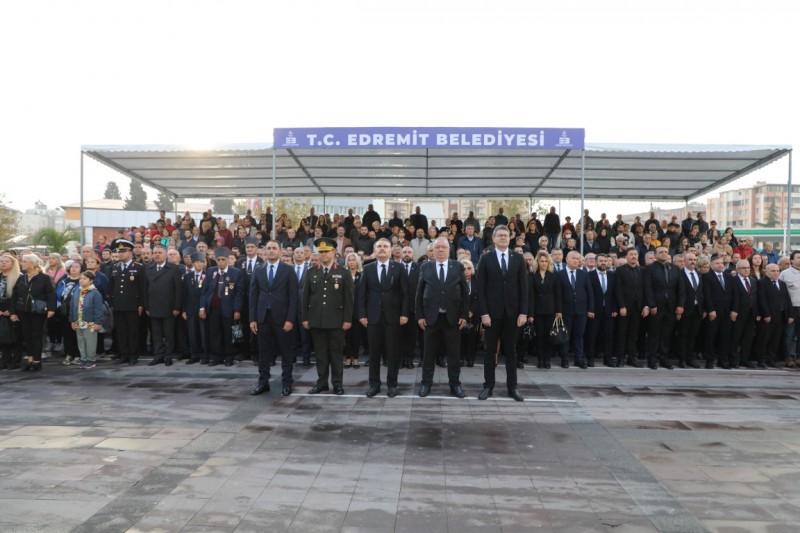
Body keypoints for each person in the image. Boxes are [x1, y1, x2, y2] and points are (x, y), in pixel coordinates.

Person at [476, 225, 529, 402]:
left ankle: (512, 387)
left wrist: (523, 312)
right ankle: (488, 386)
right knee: (490, 351)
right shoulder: (485, 258)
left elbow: (524, 288)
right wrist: (484, 313)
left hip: (513, 314)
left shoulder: (518, 258)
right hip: (492, 314)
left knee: (511, 352)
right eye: (500, 235)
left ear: (510, 238)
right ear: (493, 238)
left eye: (506, 235)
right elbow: (480, 288)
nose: (503, 238)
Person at [415, 237, 468, 398]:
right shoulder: (426, 266)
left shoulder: (457, 266)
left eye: (443, 247)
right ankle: (426, 383)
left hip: (452, 318)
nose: (440, 250)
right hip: (431, 318)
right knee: (428, 353)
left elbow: (465, 293)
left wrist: (464, 315)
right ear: (433, 250)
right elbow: (419, 293)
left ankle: (455, 384)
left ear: (449, 249)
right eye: (437, 247)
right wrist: (420, 316)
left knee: (453, 354)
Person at [302, 237, 354, 395]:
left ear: (334, 252)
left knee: (336, 354)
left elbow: (349, 299)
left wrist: (347, 319)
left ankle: (337, 383)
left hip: (336, 321)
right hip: (317, 320)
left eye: (326, 251)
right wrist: (305, 318)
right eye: (321, 252)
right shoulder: (311, 272)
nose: (323, 254)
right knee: (320, 354)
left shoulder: (343, 272)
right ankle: (322, 383)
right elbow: (305, 297)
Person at [358, 238, 409, 398]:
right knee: (374, 354)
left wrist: (404, 313)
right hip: (372, 317)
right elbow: (361, 294)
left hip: (393, 317)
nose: (382, 248)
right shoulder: (368, 268)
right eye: (379, 246)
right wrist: (362, 314)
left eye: (385, 246)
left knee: (393, 353)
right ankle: (374, 385)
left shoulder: (399, 267)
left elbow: (405, 293)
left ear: (390, 250)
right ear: (374, 250)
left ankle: (392, 385)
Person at [249, 240, 298, 397]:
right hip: (262, 317)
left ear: (280, 251)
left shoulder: (288, 270)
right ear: (265, 251)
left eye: (274, 248)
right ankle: (263, 382)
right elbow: (253, 295)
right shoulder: (258, 270)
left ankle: (287, 383)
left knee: (286, 352)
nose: (271, 250)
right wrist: (252, 319)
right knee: (263, 352)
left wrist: (290, 319)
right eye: (268, 248)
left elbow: (294, 297)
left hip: (282, 318)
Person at [11, 254, 56, 371]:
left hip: (37, 311)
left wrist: (51, 308)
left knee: (36, 335)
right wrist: (13, 312)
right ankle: (30, 359)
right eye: (22, 261)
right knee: (27, 335)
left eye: (25, 261)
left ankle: (37, 360)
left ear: (33, 264)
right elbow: (15, 295)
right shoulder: (21, 278)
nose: (22, 263)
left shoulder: (44, 278)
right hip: (22, 311)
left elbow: (51, 294)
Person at [202, 247, 245, 367]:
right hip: (213, 308)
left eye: (223, 259)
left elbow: (239, 293)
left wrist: (237, 309)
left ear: (227, 259)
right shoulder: (210, 271)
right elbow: (205, 290)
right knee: (214, 333)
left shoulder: (236, 272)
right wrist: (203, 307)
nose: (221, 262)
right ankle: (216, 357)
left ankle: (229, 357)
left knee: (228, 333)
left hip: (229, 309)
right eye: (218, 259)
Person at [643, 246, 684, 370]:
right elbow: (648, 287)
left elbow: (680, 289)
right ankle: (652, 359)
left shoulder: (675, 268)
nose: (664, 254)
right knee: (653, 334)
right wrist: (651, 305)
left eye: (666, 252)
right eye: (661, 252)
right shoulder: (649, 268)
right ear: (655, 255)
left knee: (667, 334)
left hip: (671, 306)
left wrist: (680, 305)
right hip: (656, 306)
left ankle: (664, 359)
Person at [109, 239, 146, 365]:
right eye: (119, 252)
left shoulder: (139, 267)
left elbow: (142, 288)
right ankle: (124, 355)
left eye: (123, 251)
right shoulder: (115, 267)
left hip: (133, 306)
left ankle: (133, 355)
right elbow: (112, 287)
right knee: (121, 332)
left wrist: (141, 304)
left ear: (130, 252)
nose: (120, 254)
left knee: (133, 332)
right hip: (118, 305)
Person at [144, 245, 183, 366]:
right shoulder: (149, 268)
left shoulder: (173, 268)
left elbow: (178, 290)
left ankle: (168, 356)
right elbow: (145, 289)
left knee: (169, 334)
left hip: (169, 307)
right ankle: (158, 355)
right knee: (156, 334)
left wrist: (177, 307)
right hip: (154, 306)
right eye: (155, 253)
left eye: (160, 253)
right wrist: (147, 307)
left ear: (166, 255)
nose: (157, 255)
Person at [558, 251, 595, 368]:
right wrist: (558, 311)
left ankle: (579, 359)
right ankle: (564, 359)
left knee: (579, 336)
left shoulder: (584, 274)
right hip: (565, 311)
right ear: (567, 259)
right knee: (565, 336)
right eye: (573, 258)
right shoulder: (559, 274)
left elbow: (590, 293)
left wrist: (591, 309)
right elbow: (558, 294)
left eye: (578, 259)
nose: (576, 260)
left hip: (581, 311)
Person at [614, 248, 648, 367]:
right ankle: (620, 358)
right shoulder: (620, 270)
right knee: (621, 333)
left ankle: (632, 358)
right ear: (626, 256)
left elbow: (646, 289)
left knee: (633, 334)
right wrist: (621, 306)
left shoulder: (642, 270)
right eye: (631, 254)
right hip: (625, 307)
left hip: (638, 307)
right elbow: (618, 289)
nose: (633, 256)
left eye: (635, 254)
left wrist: (646, 306)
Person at [756, 263, 794, 368]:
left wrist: (790, 315)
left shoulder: (782, 283)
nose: (776, 273)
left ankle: (771, 359)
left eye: (777, 271)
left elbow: (787, 300)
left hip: (781, 316)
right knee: (764, 339)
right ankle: (761, 360)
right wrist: (766, 314)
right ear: (766, 271)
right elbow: (761, 300)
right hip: (768, 316)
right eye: (773, 271)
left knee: (775, 340)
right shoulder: (762, 282)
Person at [531, 251, 562, 369]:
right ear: (538, 262)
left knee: (549, 335)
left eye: (546, 261)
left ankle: (547, 360)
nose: (544, 263)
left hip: (551, 309)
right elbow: (531, 295)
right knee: (540, 336)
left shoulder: (554, 275)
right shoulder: (533, 275)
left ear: (549, 262)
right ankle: (540, 359)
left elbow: (558, 294)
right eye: (541, 261)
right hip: (537, 310)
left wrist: (559, 311)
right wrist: (530, 313)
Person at [702, 254, 734, 369]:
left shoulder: (728, 277)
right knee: (710, 337)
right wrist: (711, 309)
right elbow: (707, 295)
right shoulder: (706, 276)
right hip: (713, 312)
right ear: (711, 265)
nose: (721, 265)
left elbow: (733, 294)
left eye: (721, 263)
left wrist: (733, 310)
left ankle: (723, 360)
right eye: (717, 263)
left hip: (727, 312)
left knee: (725, 337)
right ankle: (709, 360)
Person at [69, 270, 104, 369]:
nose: (81, 280)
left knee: (90, 341)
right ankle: (83, 359)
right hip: (78, 321)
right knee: (81, 342)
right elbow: (72, 306)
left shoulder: (95, 293)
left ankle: (91, 360)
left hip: (90, 322)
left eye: (84, 279)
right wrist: (72, 320)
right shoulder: (77, 291)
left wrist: (98, 322)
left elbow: (98, 309)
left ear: (91, 281)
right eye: (80, 278)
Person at [586, 254, 616, 367]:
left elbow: (614, 293)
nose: (603, 263)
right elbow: (588, 294)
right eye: (601, 261)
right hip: (594, 311)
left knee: (609, 336)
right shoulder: (589, 275)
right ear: (596, 262)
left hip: (609, 310)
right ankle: (590, 358)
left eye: (605, 261)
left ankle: (607, 359)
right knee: (592, 335)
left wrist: (614, 308)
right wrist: (590, 309)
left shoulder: (612, 275)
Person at [676, 252, 704, 368]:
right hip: (685, 309)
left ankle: (690, 358)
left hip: (697, 309)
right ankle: (682, 359)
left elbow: (701, 292)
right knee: (683, 335)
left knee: (692, 336)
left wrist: (704, 309)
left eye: (694, 260)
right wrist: (679, 307)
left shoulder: (699, 274)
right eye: (690, 259)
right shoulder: (680, 274)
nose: (693, 261)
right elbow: (678, 292)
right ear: (685, 261)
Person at [182, 252, 208, 365]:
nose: (199, 264)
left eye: (201, 262)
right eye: (197, 262)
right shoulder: (188, 276)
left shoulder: (208, 275)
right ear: (193, 264)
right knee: (192, 333)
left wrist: (204, 308)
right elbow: (184, 294)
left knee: (204, 333)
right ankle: (194, 355)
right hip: (191, 309)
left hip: (203, 309)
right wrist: (184, 310)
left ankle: (205, 355)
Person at [56, 261, 83, 365]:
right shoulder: (63, 281)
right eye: (72, 267)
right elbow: (58, 294)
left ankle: (78, 355)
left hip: (78, 310)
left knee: (77, 333)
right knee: (66, 333)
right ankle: (69, 354)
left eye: (77, 267)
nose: (73, 268)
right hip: (65, 311)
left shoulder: (82, 280)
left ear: (81, 269)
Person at [0, 254, 22, 370]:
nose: (3, 263)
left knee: (16, 336)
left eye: (6, 261)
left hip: (14, 311)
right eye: (1, 261)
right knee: (3, 336)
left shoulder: (19, 277)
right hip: (1, 310)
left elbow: (20, 296)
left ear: (13, 264)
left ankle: (16, 360)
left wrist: (12, 311)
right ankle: (5, 359)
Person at [343, 252, 364, 369]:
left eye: (353, 260)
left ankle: (355, 358)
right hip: (345, 310)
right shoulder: (343, 275)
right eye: (349, 260)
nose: (351, 262)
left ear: (357, 261)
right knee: (346, 336)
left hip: (357, 310)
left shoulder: (362, 276)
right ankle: (347, 358)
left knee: (356, 336)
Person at [460, 259, 479, 367]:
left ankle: (470, 358)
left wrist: (472, 311)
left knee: (472, 338)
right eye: (464, 269)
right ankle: (460, 358)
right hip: (460, 314)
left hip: (473, 315)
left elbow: (479, 297)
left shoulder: (477, 280)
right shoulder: (457, 281)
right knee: (460, 337)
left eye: (469, 268)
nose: (466, 271)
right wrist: (464, 312)